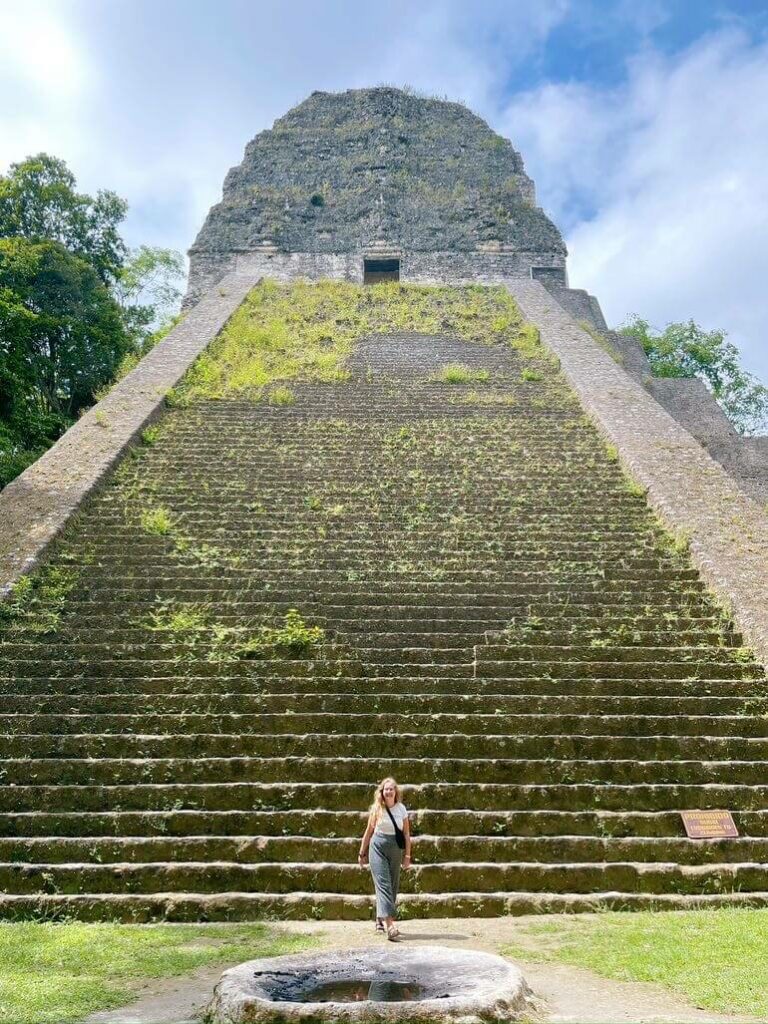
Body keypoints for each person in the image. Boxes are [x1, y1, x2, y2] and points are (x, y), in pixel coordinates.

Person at [357, 776, 411, 941]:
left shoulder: (401, 809)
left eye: (391, 789)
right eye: (386, 789)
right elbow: (368, 832)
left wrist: (407, 856)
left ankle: (381, 918)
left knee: (393, 885)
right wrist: (362, 852)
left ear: (395, 791)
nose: (388, 791)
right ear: (382, 791)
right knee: (383, 884)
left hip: (395, 849)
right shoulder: (377, 808)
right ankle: (390, 925)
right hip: (377, 847)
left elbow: (407, 834)